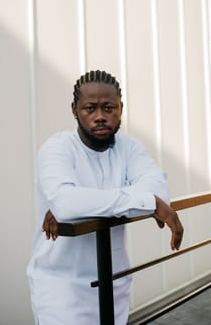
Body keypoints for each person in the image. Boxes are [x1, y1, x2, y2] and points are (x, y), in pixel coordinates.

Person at [27, 70, 183, 325]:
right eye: (90, 108)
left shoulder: (129, 147)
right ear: (74, 109)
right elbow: (66, 203)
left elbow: (159, 190)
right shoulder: (57, 148)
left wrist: (82, 202)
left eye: (109, 107)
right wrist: (147, 203)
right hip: (62, 290)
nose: (100, 116)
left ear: (121, 108)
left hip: (115, 284)